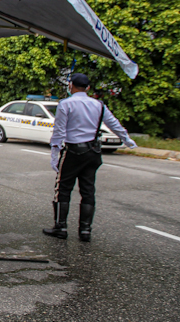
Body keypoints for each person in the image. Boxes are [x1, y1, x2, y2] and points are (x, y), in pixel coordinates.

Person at [46, 73, 137, 241]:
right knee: (88, 190)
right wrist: (126, 139)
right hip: (92, 152)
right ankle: (85, 230)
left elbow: (59, 131)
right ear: (87, 88)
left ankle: (61, 227)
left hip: (73, 151)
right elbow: (113, 123)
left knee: (63, 189)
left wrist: (54, 153)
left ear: (70, 85)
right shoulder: (99, 105)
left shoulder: (66, 104)